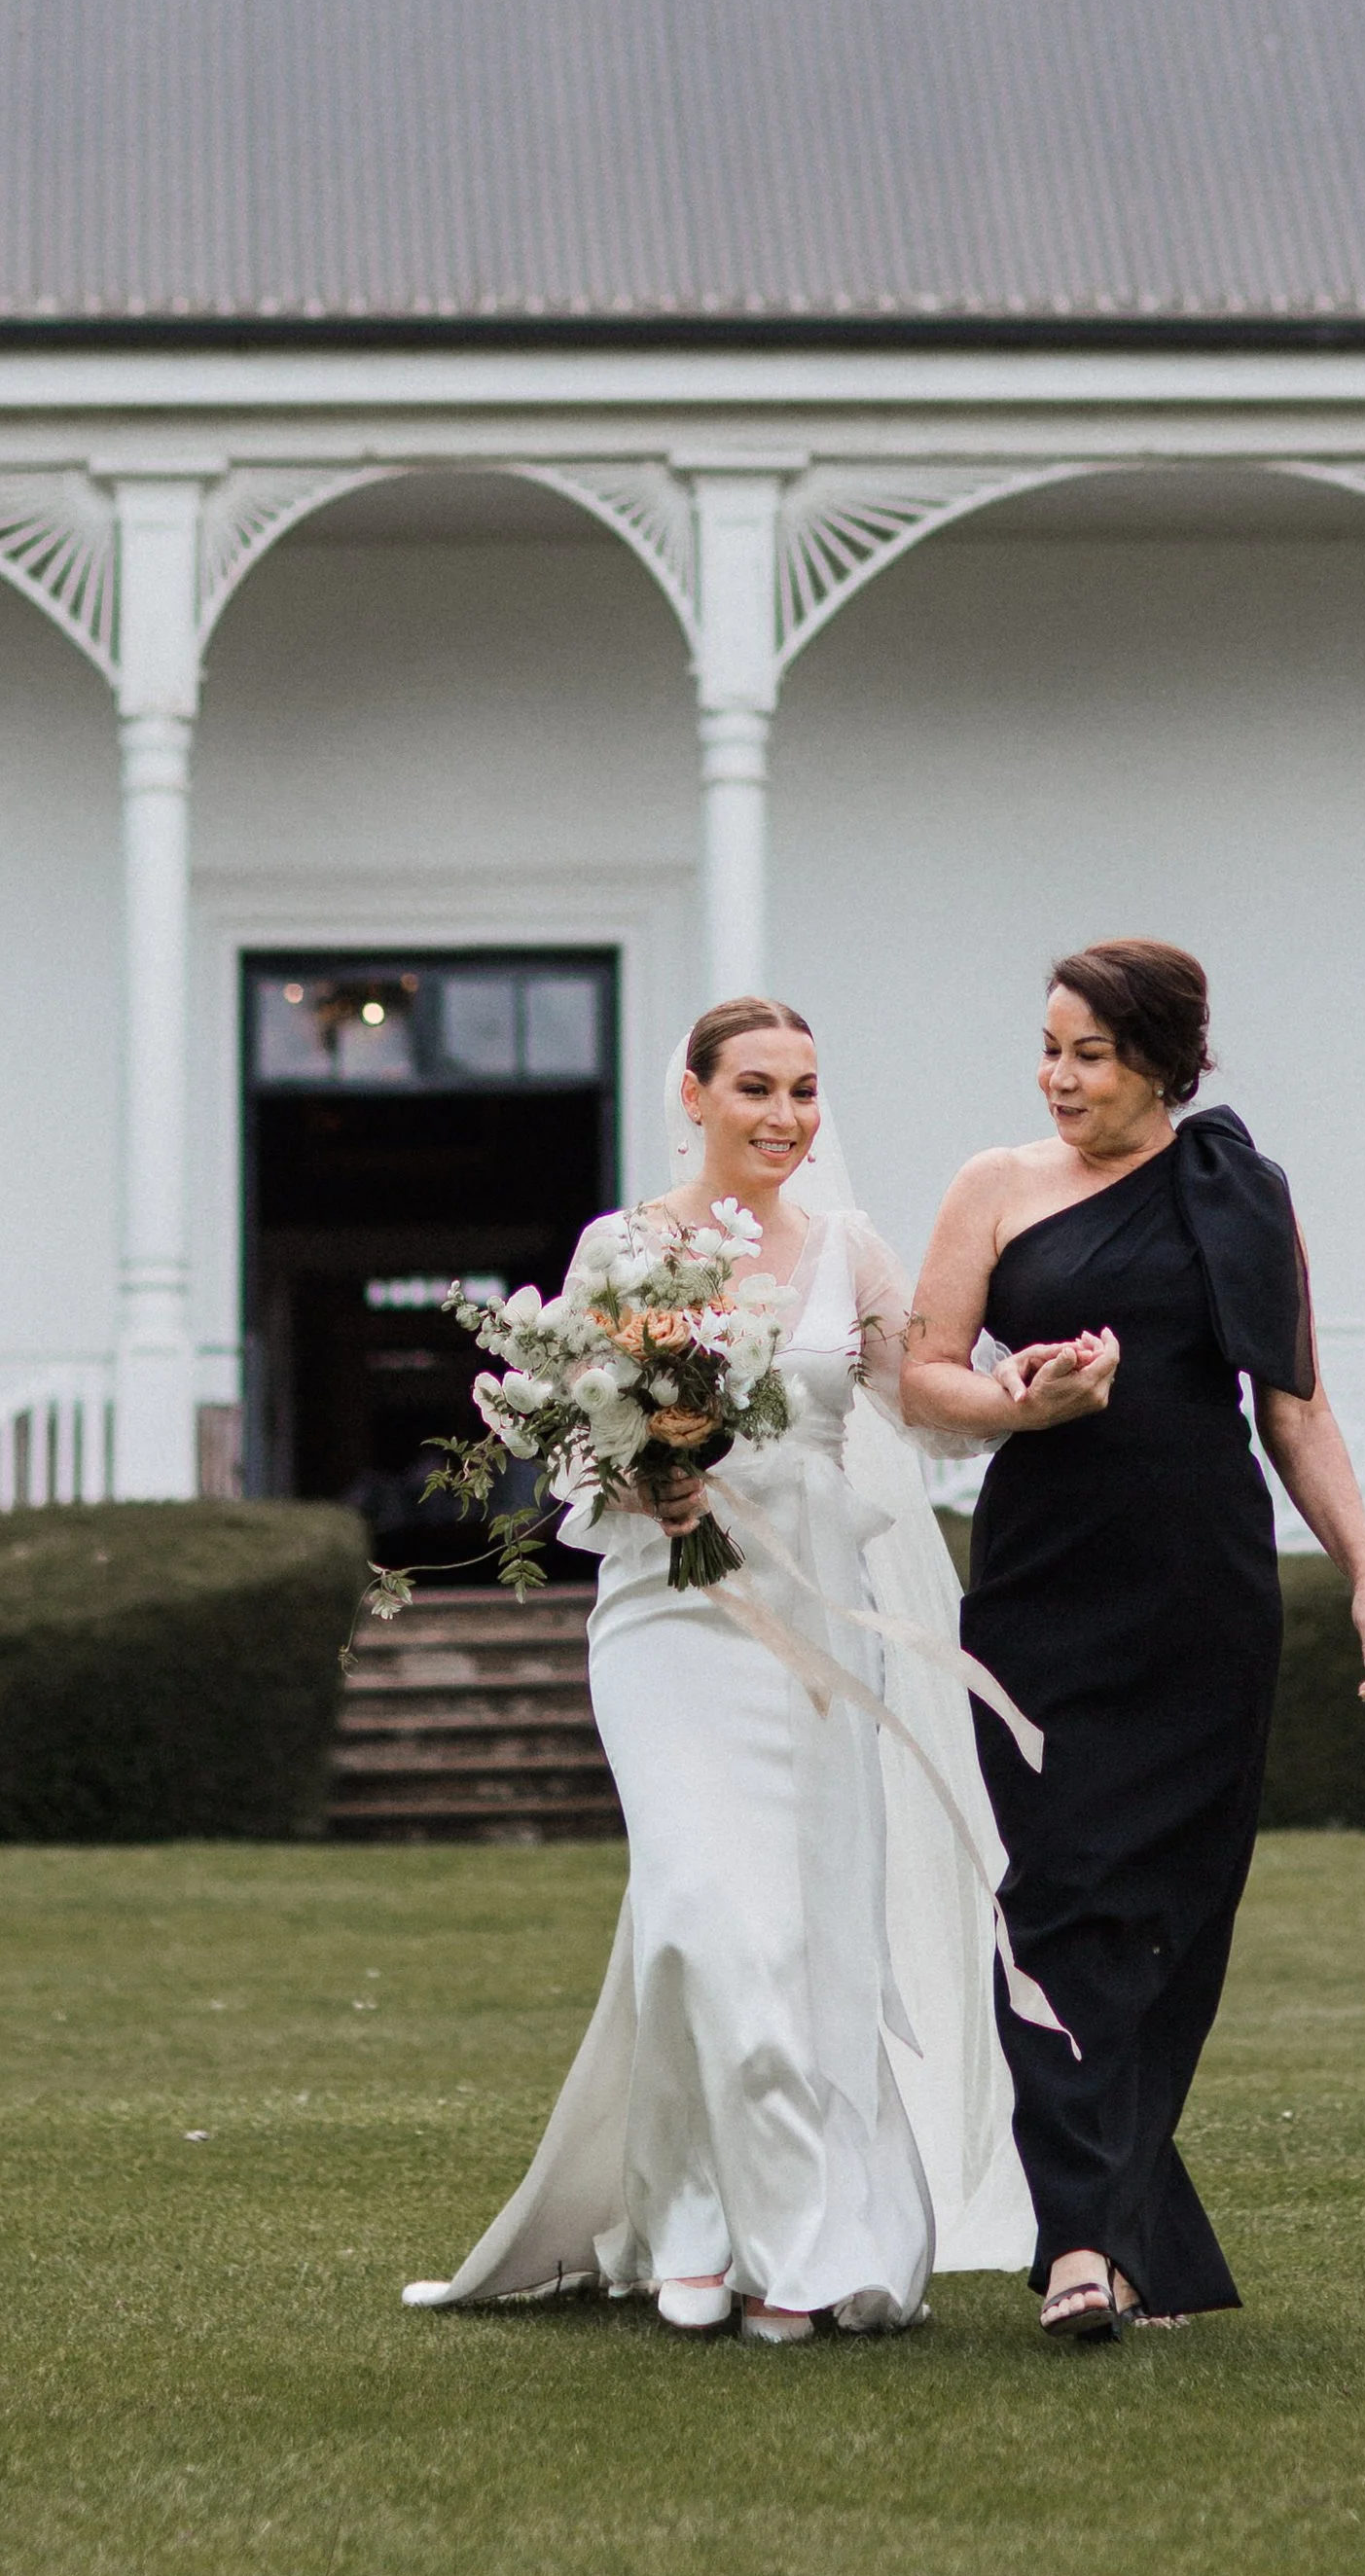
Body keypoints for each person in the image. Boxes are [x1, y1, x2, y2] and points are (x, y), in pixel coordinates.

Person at [403, 998, 1030, 2343]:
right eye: (755, 1086)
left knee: (799, 1935)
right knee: (701, 1912)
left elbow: (915, 1401)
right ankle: (701, 2218)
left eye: (805, 1089)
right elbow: (564, 1427)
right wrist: (639, 1468)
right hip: (664, 1625)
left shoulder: (847, 1251)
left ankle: (783, 2242)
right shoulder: (621, 1250)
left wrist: (1025, 1394)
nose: (786, 1116)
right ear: (692, 1094)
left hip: (808, 1631)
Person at [903, 939, 1365, 2341]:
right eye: (1050, 1047)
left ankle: (1128, 2238)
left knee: (1170, 1925)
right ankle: (1081, 2241)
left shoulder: (1239, 1191)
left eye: (1091, 1053)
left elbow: (1295, 1404)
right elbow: (922, 1373)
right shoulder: (993, 1186)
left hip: (1203, 1586)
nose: (1059, 1076)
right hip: (1042, 1586)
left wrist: (1364, 1568)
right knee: (1055, 1899)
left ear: (1167, 1063)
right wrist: (1022, 1404)